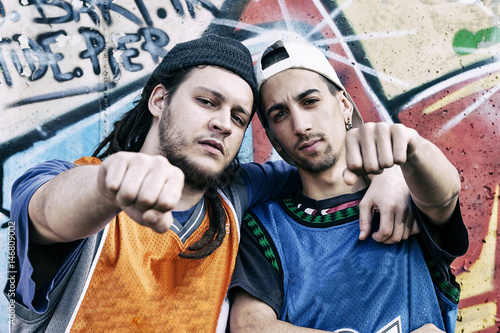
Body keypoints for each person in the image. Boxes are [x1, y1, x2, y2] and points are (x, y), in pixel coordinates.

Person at [7, 35, 411, 332]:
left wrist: (389, 172)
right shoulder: (75, 186)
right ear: (159, 100)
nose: (223, 122)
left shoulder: (233, 198)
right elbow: (48, 212)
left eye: (239, 117)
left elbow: (325, 166)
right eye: (207, 102)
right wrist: (108, 185)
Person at [229, 40, 469, 333]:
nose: (300, 125)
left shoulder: (405, 196)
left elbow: (445, 195)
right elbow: (250, 326)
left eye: (310, 101)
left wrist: (411, 148)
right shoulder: (264, 227)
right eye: (280, 114)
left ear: (344, 105)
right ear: (273, 137)